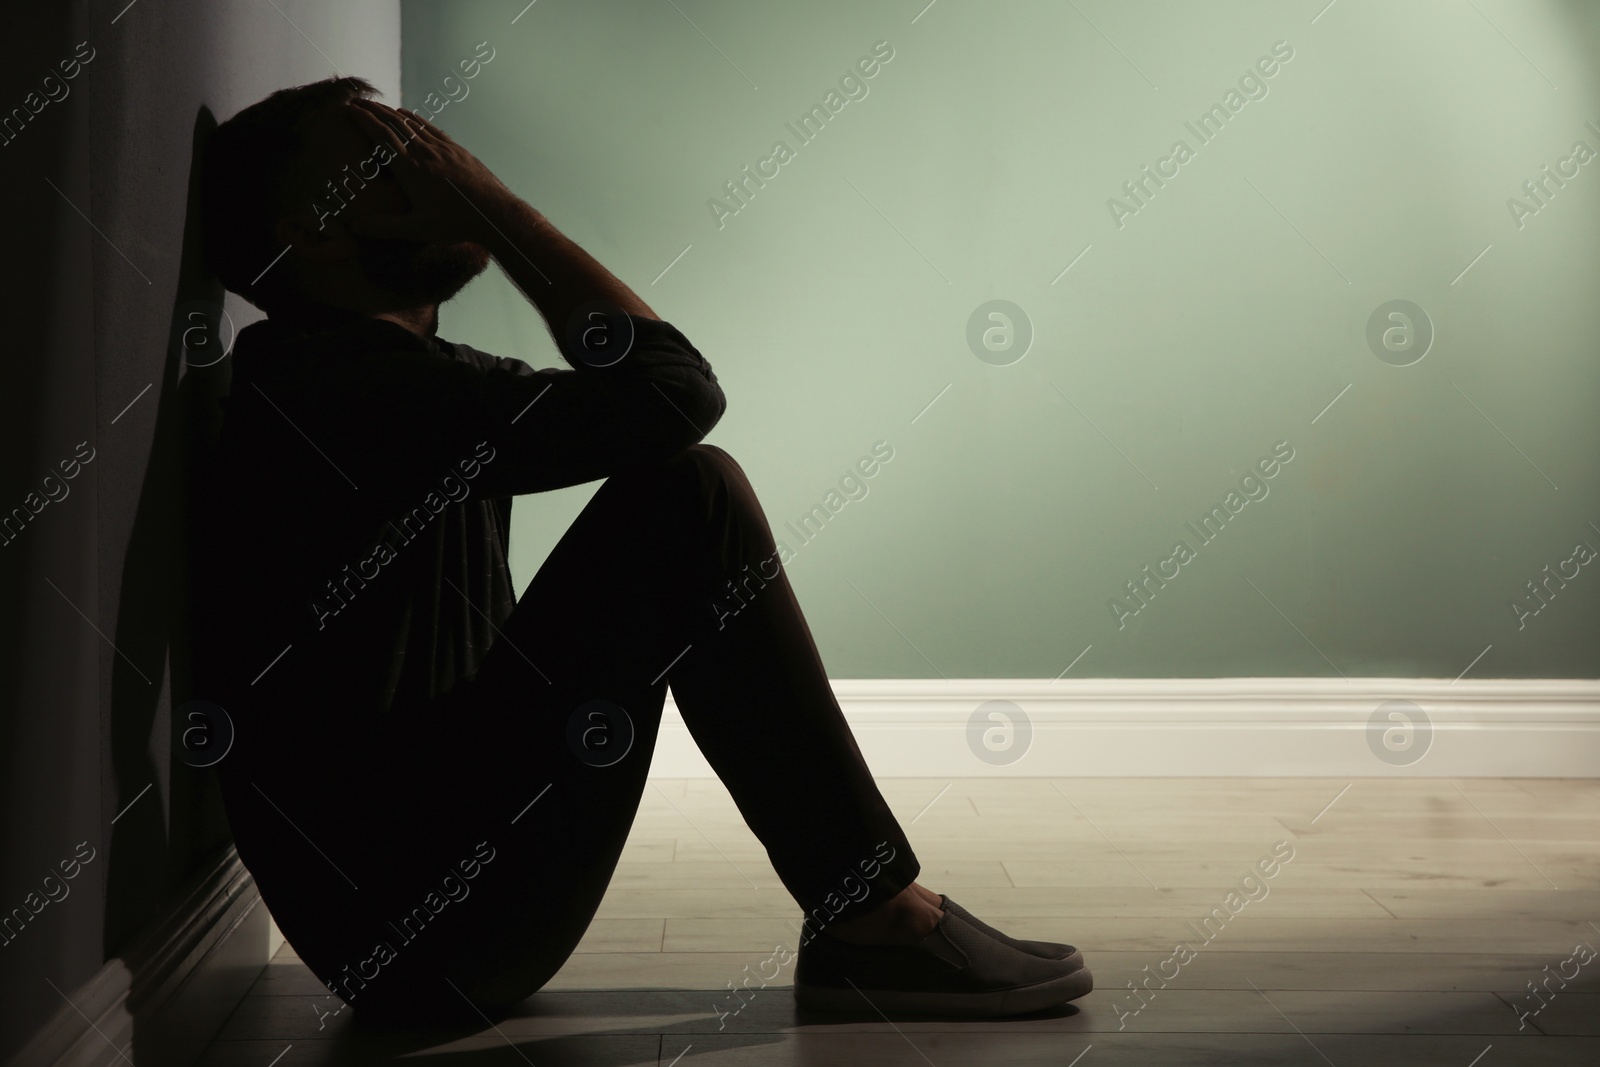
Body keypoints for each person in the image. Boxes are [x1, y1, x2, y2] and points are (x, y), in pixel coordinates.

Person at [193, 75, 1092, 1026]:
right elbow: (673, 392)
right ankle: (874, 919)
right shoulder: (333, 398)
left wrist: (480, 211)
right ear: (318, 233)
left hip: (433, 907)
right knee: (690, 493)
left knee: (684, 488)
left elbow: (649, 390)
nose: (443, 169)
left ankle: (869, 913)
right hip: (424, 937)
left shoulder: (387, 380)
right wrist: (497, 214)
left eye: (432, 148)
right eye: (393, 161)